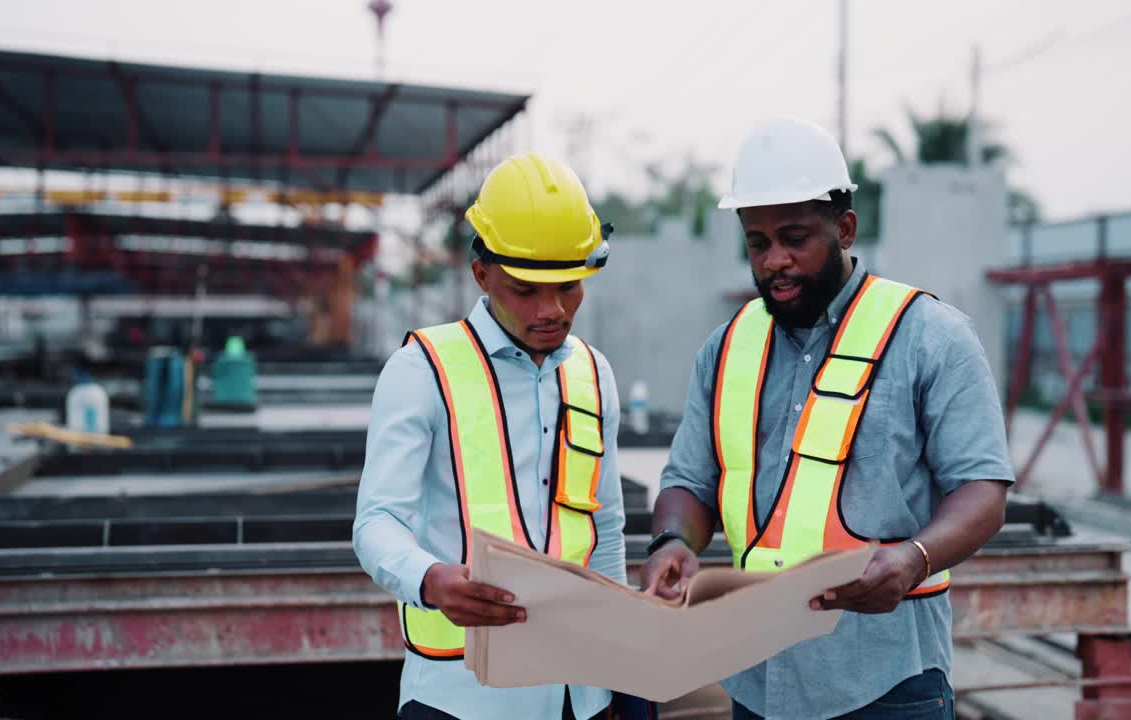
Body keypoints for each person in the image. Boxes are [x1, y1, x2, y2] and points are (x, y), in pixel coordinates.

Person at [642, 117, 1013, 720]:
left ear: (844, 228)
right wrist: (672, 543)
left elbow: (983, 491)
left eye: (795, 238)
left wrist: (913, 558)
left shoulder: (929, 337)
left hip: (887, 682)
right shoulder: (727, 348)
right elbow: (690, 481)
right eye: (758, 243)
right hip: (758, 676)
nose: (775, 261)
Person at [353, 153, 626, 720]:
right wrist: (430, 580)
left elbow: (604, 531)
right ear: (482, 274)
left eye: (569, 287)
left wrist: (622, 671)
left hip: (581, 695)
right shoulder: (420, 370)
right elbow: (377, 522)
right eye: (527, 289)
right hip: (460, 697)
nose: (552, 309)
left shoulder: (594, 373)